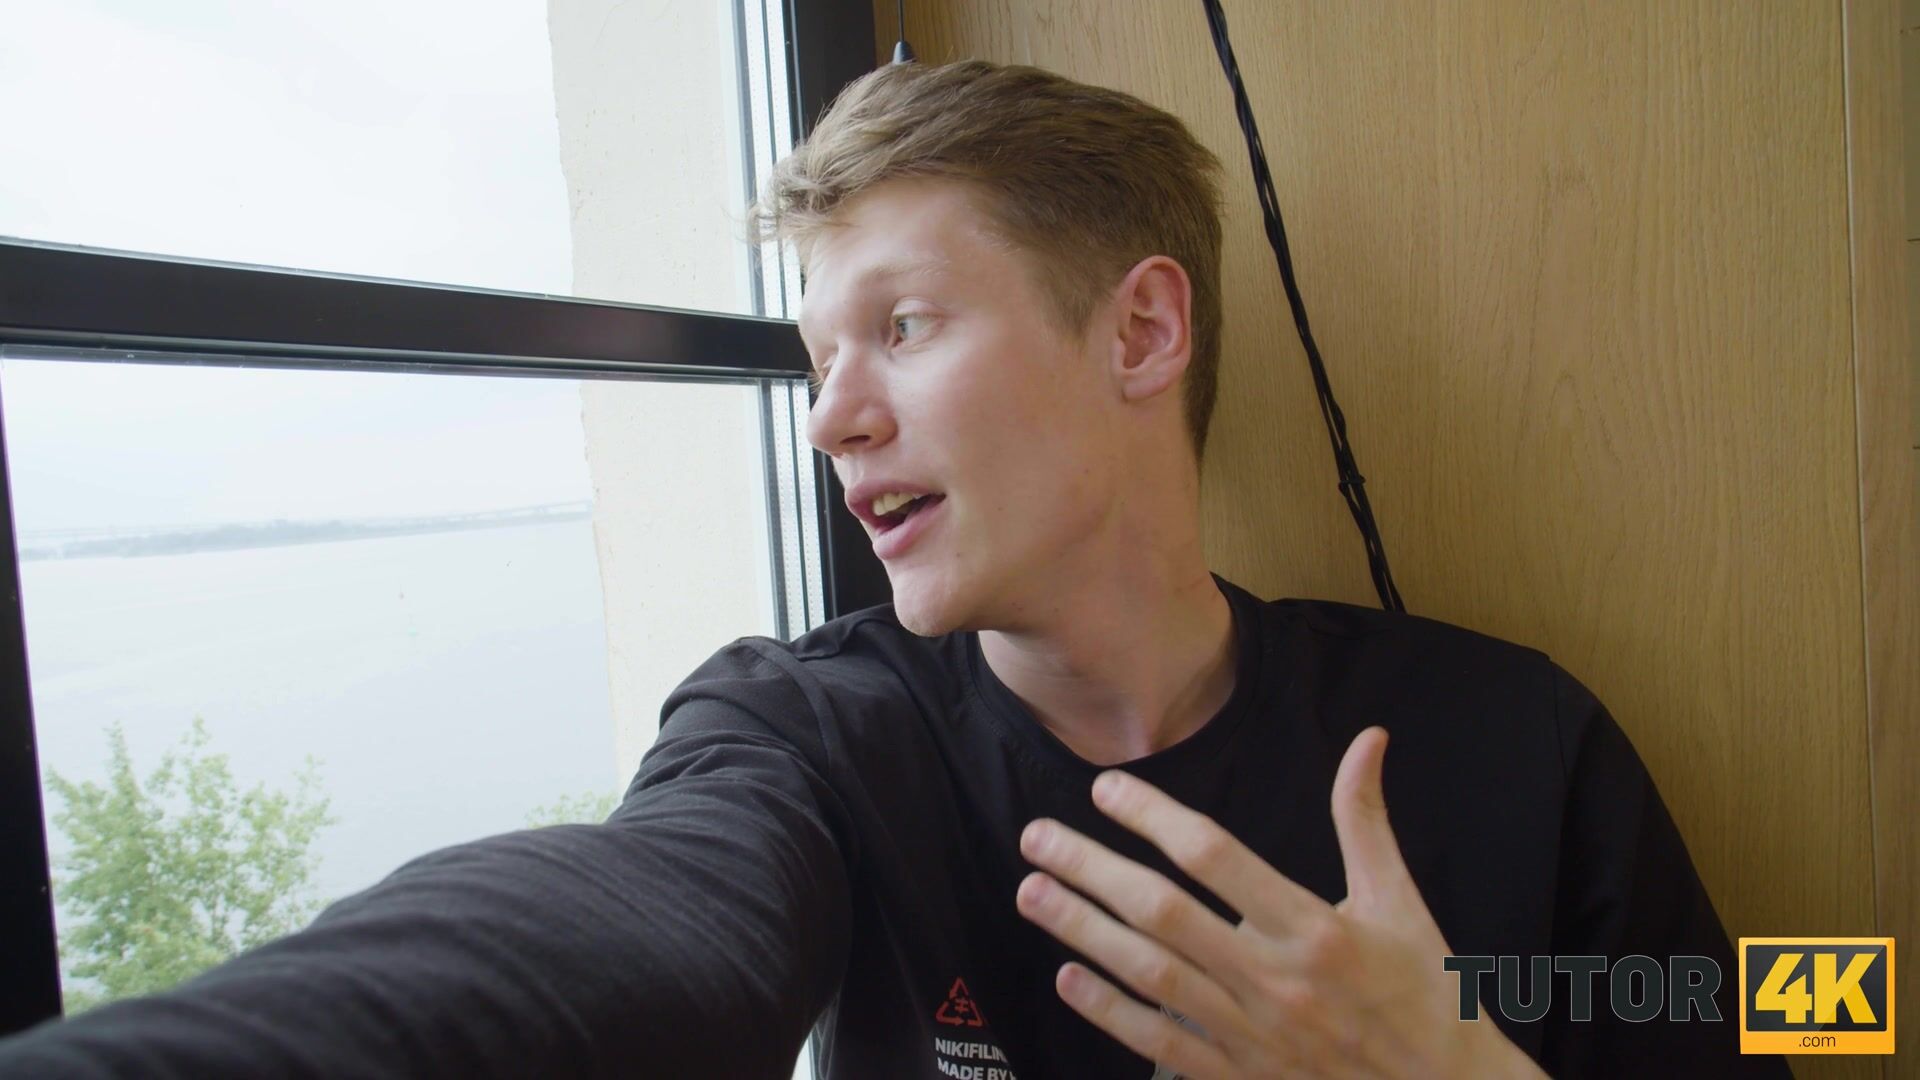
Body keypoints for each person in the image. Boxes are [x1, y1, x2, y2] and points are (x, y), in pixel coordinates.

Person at [0, 60, 1786, 1079]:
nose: (830, 419)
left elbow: (1830, 1004)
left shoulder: (1513, 741)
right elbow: (638, 924)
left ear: (1141, 330)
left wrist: (1464, 1064)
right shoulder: (813, 741)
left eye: (904, 326)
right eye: (812, 360)